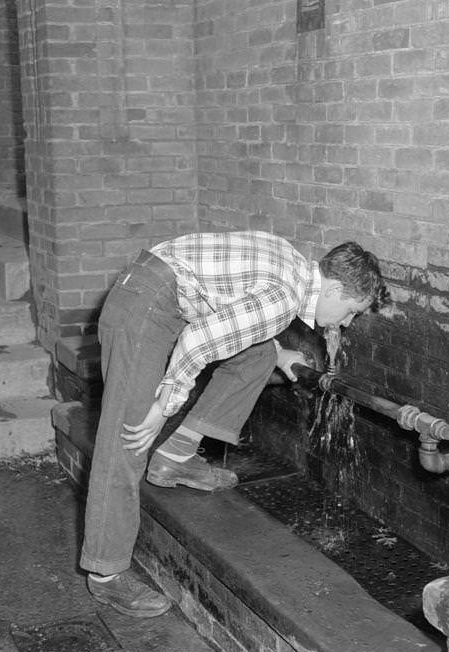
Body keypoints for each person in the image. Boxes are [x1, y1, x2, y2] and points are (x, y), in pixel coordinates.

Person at [80, 231, 386, 617]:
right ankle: (106, 575)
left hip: (162, 293)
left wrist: (277, 353)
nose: (347, 322)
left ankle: (175, 457)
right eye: (352, 311)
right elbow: (198, 340)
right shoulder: (283, 299)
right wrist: (162, 406)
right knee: (128, 437)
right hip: (145, 305)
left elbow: (231, 314)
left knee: (257, 356)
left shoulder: (294, 264)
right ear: (335, 288)